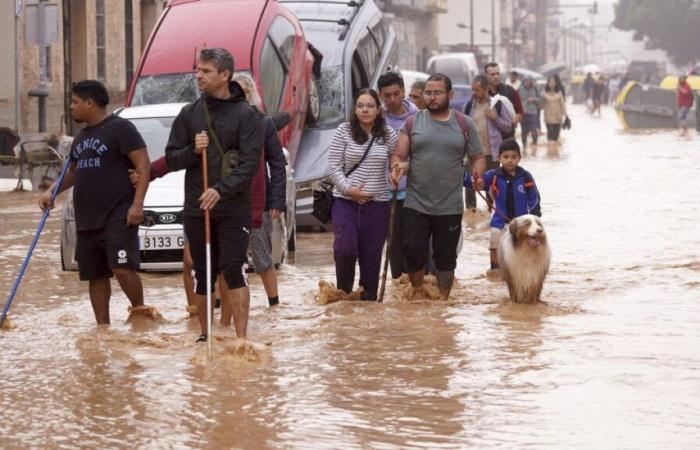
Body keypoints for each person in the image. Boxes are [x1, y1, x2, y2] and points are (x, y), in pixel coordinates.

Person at [165, 48, 263, 342]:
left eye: (206, 71)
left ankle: (241, 339)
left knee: (234, 268)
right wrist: (193, 151)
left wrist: (220, 190)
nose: (198, 75)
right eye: (198, 70)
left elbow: (249, 166)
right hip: (198, 208)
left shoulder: (247, 115)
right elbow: (171, 158)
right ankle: (204, 336)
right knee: (202, 271)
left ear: (224, 75)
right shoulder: (189, 114)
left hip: (233, 208)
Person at [39, 80, 151, 324]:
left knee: (122, 267)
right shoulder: (81, 137)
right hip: (88, 217)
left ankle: (141, 312)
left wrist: (137, 204)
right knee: (95, 275)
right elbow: (72, 172)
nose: (71, 107)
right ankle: (103, 328)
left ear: (90, 103)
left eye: (75, 102)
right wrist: (51, 192)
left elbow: (143, 165)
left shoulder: (121, 128)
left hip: (118, 213)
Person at [390, 73, 485, 299]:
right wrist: (397, 167)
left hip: (450, 204)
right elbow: (398, 154)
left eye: (437, 93)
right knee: (412, 251)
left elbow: (477, 156)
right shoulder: (413, 122)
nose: (432, 98)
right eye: (428, 93)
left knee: (445, 257)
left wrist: (477, 174)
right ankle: (418, 293)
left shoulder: (464, 123)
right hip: (416, 201)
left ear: (449, 95)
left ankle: (443, 300)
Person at [326, 88, 397, 300]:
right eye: (360, 106)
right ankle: (344, 297)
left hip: (378, 206)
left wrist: (396, 171)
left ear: (378, 110)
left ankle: (367, 310)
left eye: (370, 106)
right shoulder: (343, 131)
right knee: (345, 250)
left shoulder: (389, 135)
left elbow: (395, 160)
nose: (365, 110)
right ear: (355, 110)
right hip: (345, 203)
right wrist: (350, 190)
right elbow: (334, 167)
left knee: (371, 258)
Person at [229, 72, 287, 310]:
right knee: (229, 259)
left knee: (262, 255)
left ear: (252, 95)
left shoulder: (263, 123)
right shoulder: (222, 122)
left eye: (244, 92)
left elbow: (277, 164)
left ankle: (274, 305)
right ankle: (223, 308)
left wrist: (276, 201)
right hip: (228, 200)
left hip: (258, 201)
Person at [467, 138, 540, 279]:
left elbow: (534, 198)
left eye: (513, 157)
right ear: (499, 158)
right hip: (499, 221)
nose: (510, 160)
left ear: (519, 158)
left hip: (521, 222)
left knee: (524, 247)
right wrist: (475, 181)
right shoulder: (493, 175)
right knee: (495, 242)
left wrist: (532, 217)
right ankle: (495, 270)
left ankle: (524, 272)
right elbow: (479, 182)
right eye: (506, 157)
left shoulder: (526, 177)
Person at [377, 72, 418, 280]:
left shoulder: (417, 118)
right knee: (393, 246)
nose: (392, 100)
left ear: (403, 91)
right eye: (387, 96)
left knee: (415, 245)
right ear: (380, 95)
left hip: (414, 192)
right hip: (385, 193)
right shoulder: (376, 120)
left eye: (396, 94)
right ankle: (399, 286)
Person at [484, 62, 523, 127]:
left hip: (506, 135)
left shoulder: (510, 91)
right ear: (486, 76)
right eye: (492, 74)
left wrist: (510, 125)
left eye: (497, 73)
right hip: (488, 134)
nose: (496, 77)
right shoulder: (482, 92)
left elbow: (519, 113)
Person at [542, 76, 567, 152]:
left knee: (556, 137)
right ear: (548, 83)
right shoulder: (544, 93)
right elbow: (541, 106)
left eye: (553, 82)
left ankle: (555, 154)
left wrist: (566, 115)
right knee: (550, 136)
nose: (552, 83)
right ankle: (550, 154)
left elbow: (562, 105)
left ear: (556, 83)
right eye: (550, 82)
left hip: (558, 118)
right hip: (548, 118)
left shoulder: (559, 93)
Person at [518, 76, 541, 153]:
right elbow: (516, 99)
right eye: (525, 81)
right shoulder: (520, 89)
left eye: (528, 81)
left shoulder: (535, 89)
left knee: (533, 130)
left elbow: (540, 99)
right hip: (523, 113)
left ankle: (534, 145)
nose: (527, 82)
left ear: (531, 82)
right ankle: (524, 147)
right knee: (523, 131)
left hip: (533, 112)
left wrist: (533, 99)